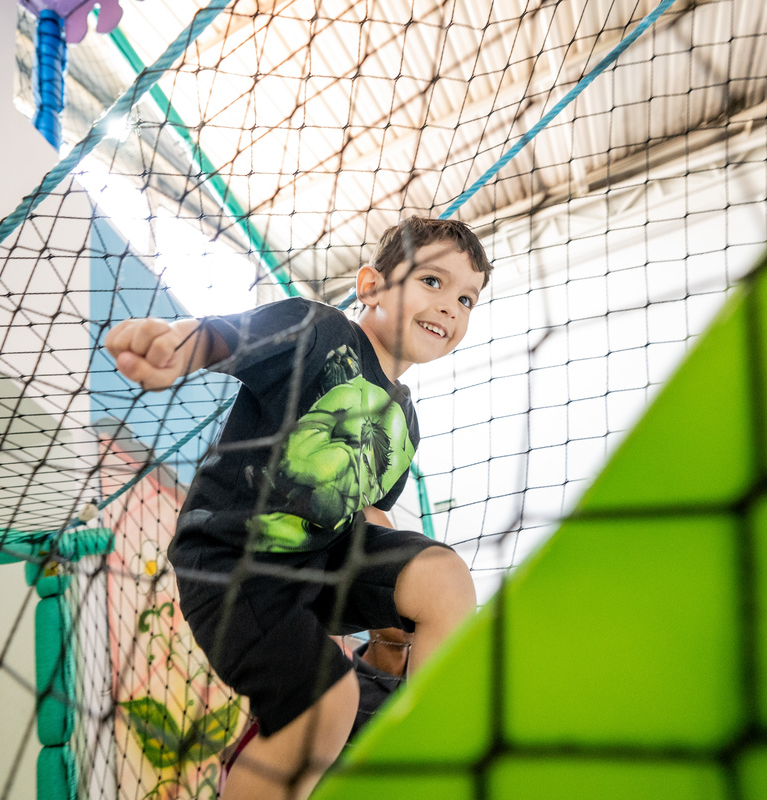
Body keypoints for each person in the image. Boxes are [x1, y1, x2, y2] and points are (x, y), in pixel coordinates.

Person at [105, 217, 491, 799]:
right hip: (235, 564)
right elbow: (227, 337)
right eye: (433, 282)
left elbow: (368, 516)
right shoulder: (321, 332)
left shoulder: (405, 425)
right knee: (327, 704)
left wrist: (395, 597)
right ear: (370, 286)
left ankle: (415, 756)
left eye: (467, 297)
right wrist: (176, 348)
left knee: (444, 579)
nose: (451, 307)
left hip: (319, 563)